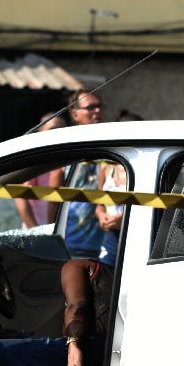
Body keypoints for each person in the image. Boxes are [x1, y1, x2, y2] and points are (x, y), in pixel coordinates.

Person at [60, 90, 106, 259]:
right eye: (90, 107)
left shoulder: (111, 143)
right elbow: (52, 197)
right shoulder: (64, 146)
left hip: (103, 245)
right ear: (74, 114)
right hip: (68, 243)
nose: (97, 111)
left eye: (99, 106)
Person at [15, 116, 65, 229]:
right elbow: (21, 198)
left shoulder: (68, 158)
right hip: (38, 231)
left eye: (62, 129)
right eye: (52, 130)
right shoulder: (36, 159)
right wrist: (35, 230)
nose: (58, 134)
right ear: (40, 132)